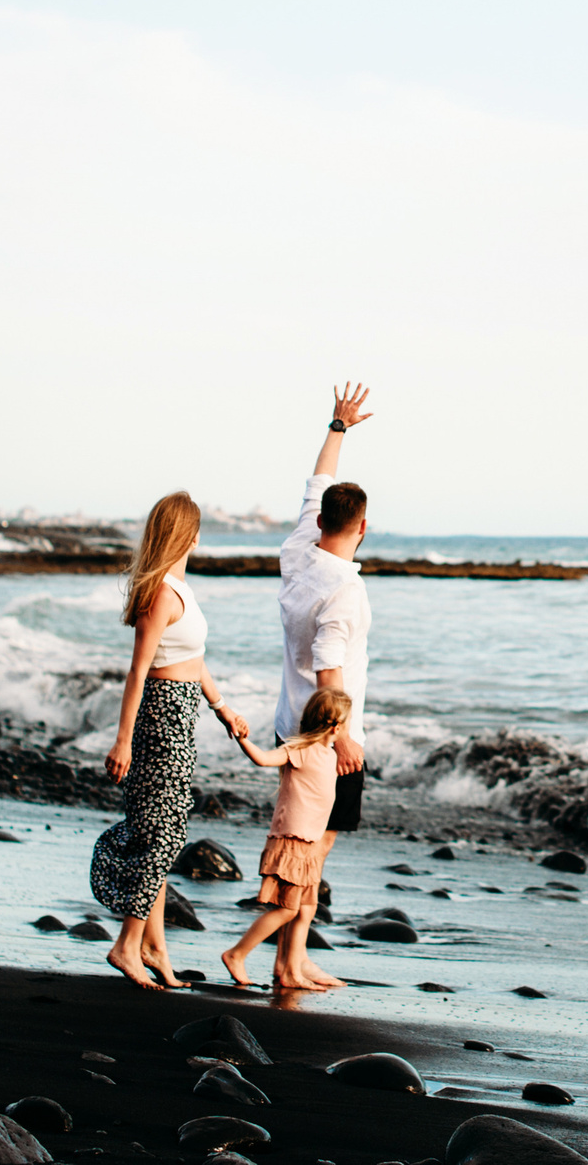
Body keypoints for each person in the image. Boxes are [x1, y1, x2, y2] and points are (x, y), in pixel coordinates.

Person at [91, 490, 250, 992]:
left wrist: (223, 707)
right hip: (160, 716)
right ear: (191, 534)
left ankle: (156, 947)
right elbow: (138, 671)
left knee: (161, 824)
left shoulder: (180, 589)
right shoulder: (161, 593)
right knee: (163, 834)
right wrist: (123, 742)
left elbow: (194, 657)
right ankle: (127, 944)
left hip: (183, 711)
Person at [270, 382, 375, 986]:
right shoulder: (344, 587)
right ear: (363, 525)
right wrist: (343, 742)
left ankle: (294, 957)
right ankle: (289, 961)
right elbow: (331, 669)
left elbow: (317, 485)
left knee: (308, 844)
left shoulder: (298, 550)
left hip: (292, 721)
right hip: (328, 735)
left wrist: (337, 428)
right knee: (316, 849)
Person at [219, 686, 354, 990]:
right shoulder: (300, 750)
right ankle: (236, 953)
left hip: (309, 844)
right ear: (334, 725)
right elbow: (263, 759)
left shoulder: (330, 756)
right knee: (286, 908)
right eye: (346, 722)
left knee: (303, 907)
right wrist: (242, 738)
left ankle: (290, 972)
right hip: (290, 841)